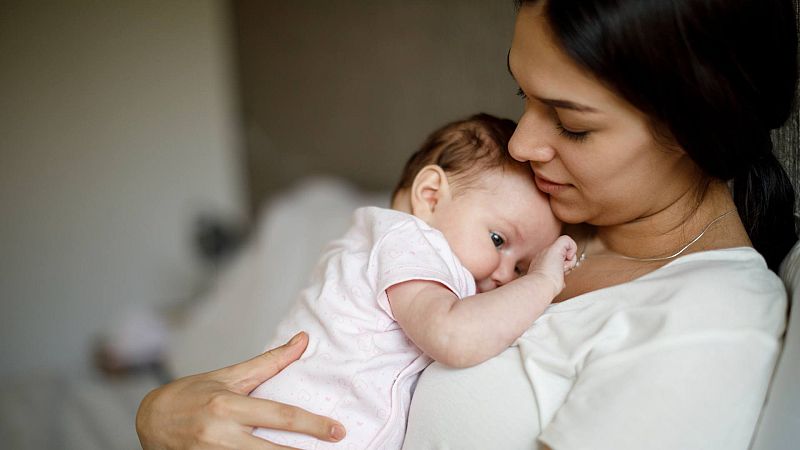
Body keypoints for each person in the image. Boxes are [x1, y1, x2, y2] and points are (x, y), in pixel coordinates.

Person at [135, 0, 798, 449]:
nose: (521, 146)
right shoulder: (518, 213)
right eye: (522, 97)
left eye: (571, 124)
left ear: (691, 123)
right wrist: (158, 415)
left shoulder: (707, 317)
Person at [249, 113, 576, 449]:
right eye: (497, 240)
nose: (507, 275)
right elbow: (452, 336)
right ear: (431, 196)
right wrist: (541, 281)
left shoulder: (385, 247)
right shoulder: (408, 243)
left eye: (521, 267)